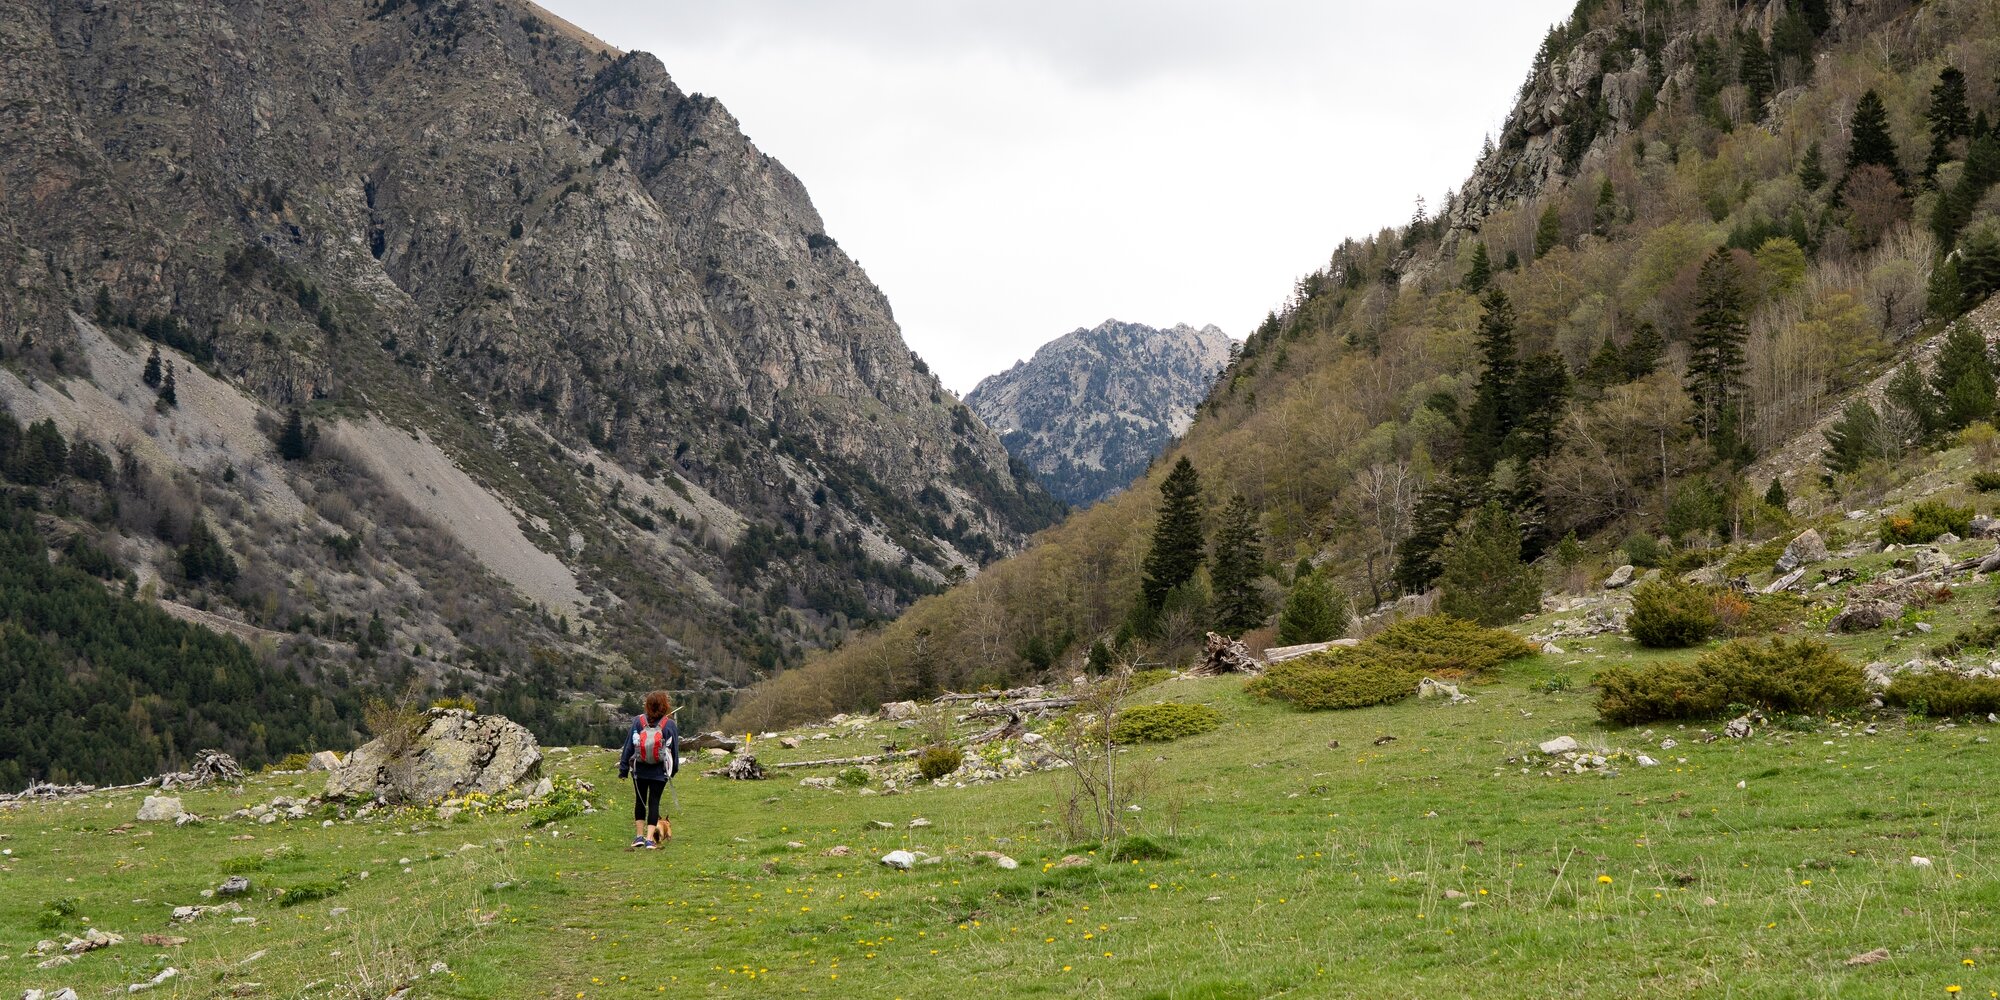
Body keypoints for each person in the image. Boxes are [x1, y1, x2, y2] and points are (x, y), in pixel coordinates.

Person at [617, 690, 680, 849]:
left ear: (647, 705)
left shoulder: (638, 722)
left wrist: (623, 769)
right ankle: (650, 839)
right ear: (664, 705)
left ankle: (638, 837)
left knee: (640, 801)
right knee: (654, 802)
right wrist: (672, 771)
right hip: (660, 771)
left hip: (639, 770)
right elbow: (674, 750)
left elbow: (628, 747)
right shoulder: (669, 724)